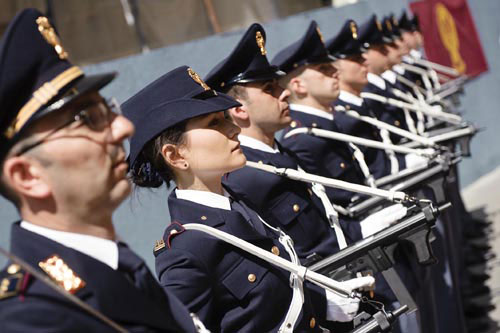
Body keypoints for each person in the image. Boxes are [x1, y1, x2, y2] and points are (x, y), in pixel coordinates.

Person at [123, 64, 375, 332]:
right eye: (214, 123)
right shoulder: (187, 250)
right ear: (175, 156)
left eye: (226, 118)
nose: (233, 129)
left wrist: (322, 301)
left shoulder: (239, 201)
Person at [0, 9, 198, 332]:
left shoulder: (119, 266)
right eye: (86, 119)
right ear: (28, 176)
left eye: (108, 109)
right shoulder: (30, 318)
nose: (123, 127)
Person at [204, 22, 363, 264]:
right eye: (270, 89)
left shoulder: (279, 154)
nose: (285, 92)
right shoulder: (244, 178)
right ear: (239, 110)